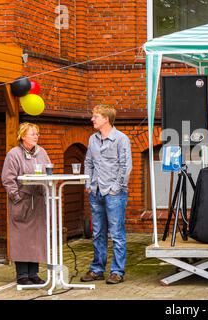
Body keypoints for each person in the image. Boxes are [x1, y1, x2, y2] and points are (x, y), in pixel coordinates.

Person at [81, 105, 132, 285]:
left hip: (114, 194)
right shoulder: (92, 139)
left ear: (106, 119)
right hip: (95, 192)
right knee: (98, 233)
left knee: (116, 233)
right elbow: (88, 162)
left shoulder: (121, 139)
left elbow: (126, 167)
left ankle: (117, 271)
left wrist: (115, 189)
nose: (92, 119)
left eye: (95, 116)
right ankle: (97, 269)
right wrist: (88, 184)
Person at [1, 122, 51, 285]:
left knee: (36, 238)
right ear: (23, 136)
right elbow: (7, 179)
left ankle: (34, 274)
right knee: (22, 238)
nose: (36, 137)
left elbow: (49, 171)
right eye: (32, 134)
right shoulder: (13, 154)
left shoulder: (42, 152)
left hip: (37, 202)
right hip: (22, 201)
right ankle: (22, 275)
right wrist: (17, 198)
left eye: (37, 134)